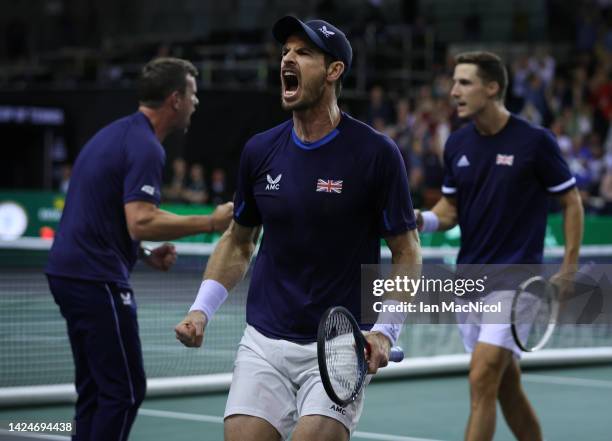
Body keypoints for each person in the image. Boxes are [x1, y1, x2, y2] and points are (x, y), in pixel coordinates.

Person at [175, 16, 421, 441]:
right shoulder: (260, 150)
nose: (288, 58)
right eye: (285, 51)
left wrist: (385, 330)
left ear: (333, 71)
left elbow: (406, 251)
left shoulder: (376, 154)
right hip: (264, 342)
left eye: (303, 52)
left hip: (341, 345)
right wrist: (201, 309)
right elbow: (238, 241)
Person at [45, 57, 234, 441]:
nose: (197, 103)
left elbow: (108, 214)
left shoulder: (113, 135)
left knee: (96, 390)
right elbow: (141, 220)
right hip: (95, 280)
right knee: (124, 391)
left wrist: (144, 253)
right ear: (175, 99)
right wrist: (210, 223)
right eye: (193, 94)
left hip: (68, 275)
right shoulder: (147, 147)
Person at [415, 51, 583, 441]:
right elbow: (450, 209)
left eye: (465, 82)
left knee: (481, 378)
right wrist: (419, 220)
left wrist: (569, 267)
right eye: (454, 82)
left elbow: (571, 202)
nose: (454, 91)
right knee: (505, 388)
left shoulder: (535, 142)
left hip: (516, 284)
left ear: (492, 88)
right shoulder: (456, 144)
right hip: (469, 283)